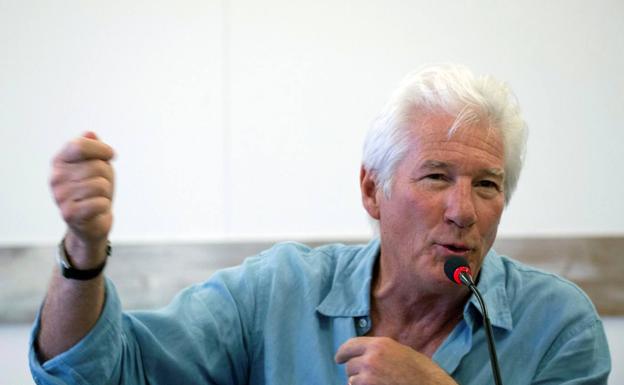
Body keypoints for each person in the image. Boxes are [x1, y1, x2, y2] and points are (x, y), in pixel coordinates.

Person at [29, 64, 611, 385]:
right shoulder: (274, 295)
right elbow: (90, 377)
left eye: (487, 184)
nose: (463, 210)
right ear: (370, 191)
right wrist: (83, 250)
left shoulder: (557, 325)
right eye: (435, 177)